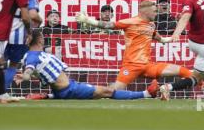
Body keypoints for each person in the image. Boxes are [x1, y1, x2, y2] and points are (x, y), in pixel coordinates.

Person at [76, 0, 193, 91]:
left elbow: (160, 39)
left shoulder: (151, 25)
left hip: (148, 66)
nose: (156, 13)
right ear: (145, 11)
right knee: (112, 91)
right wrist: (88, 20)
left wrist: (171, 38)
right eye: (154, 11)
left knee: (184, 71)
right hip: (131, 66)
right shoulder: (130, 22)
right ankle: (87, 90)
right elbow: (108, 25)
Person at [16, 30, 158, 100]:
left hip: (66, 88)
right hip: (70, 88)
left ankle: (46, 96)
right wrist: (25, 75)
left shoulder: (40, 54)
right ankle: (147, 94)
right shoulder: (31, 56)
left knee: (103, 93)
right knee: (107, 91)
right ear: (40, 39)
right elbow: (29, 70)